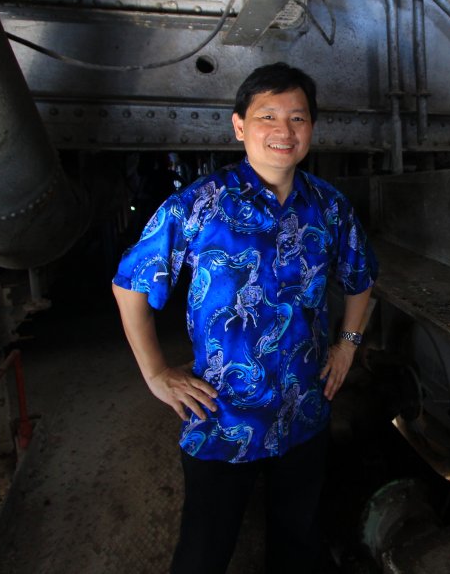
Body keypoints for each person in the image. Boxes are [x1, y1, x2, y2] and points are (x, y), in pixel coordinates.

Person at [112, 62, 378, 574]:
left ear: (311, 130)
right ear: (240, 126)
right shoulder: (198, 207)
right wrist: (155, 373)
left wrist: (347, 344)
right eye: (268, 116)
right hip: (222, 418)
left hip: (304, 411)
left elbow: (361, 278)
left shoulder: (330, 207)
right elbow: (129, 286)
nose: (284, 131)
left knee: (296, 542)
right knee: (204, 554)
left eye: (297, 119)